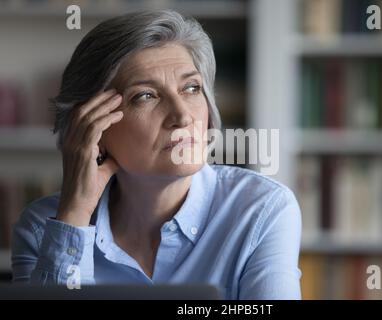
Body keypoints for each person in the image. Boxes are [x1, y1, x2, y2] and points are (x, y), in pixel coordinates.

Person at [11, 10, 302, 300]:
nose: (182, 116)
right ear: (91, 125)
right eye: (146, 95)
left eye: (191, 88)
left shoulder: (261, 209)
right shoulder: (42, 226)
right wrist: (75, 214)